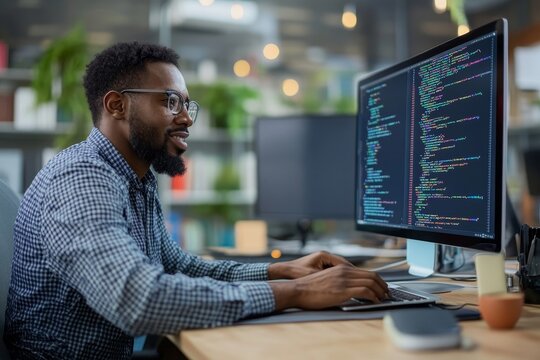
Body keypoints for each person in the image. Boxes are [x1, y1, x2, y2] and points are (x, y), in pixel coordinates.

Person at [3, 42, 388, 359]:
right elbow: (140, 300)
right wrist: (297, 293)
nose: (187, 118)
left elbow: (175, 266)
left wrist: (281, 272)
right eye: (171, 101)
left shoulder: (135, 177)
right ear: (116, 105)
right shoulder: (82, 178)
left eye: (188, 104)